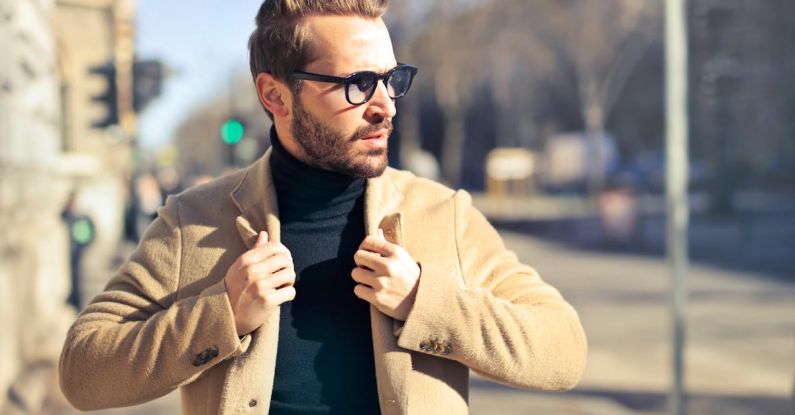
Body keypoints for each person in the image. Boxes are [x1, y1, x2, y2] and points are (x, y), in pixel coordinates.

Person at [59, 1, 587, 414]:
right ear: (276, 95)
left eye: (392, 79)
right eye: (358, 84)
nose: (385, 105)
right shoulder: (193, 222)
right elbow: (82, 371)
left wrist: (427, 301)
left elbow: (563, 351)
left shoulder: (443, 214)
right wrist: (221, 315)